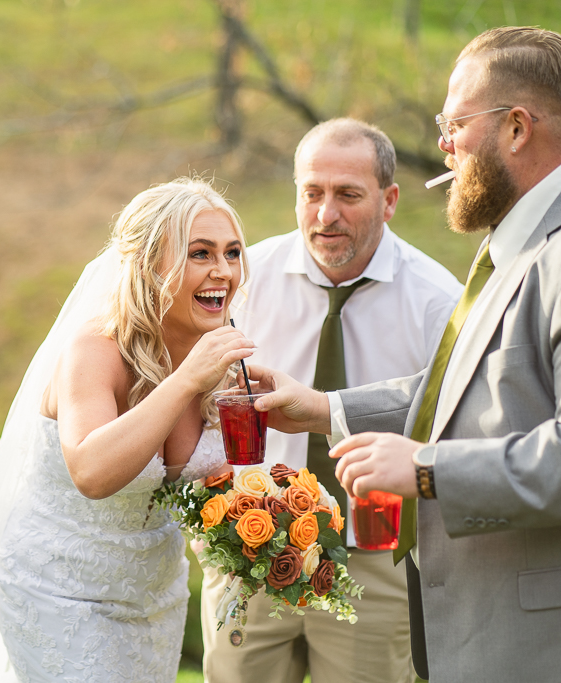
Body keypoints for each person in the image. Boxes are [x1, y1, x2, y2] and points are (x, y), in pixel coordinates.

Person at [250, 27, 561, 683]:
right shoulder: (531, 225)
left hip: (553, 645)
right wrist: (322, 408)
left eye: (454, 125)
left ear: (515, 129)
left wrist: (426, 468)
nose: (442, 146)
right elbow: (476, 383)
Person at [0, 178, 254, 682]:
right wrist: (186, 381)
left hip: (152, 595)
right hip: (58, 589)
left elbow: (212, 478)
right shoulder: (94, 349)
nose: (222, 272)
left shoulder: (217, 350)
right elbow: (91, 471)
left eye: (232, 253)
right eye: (200, 254)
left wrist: (268, 521)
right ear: (147, 263)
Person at [200, 119, 461, 683]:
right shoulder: (242, 281)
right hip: (249, 549)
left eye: (348, 195)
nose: (325, 215)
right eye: (311, 193)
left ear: (389, 200)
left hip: (375, 556)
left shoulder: (440, 303)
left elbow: (457, 432)